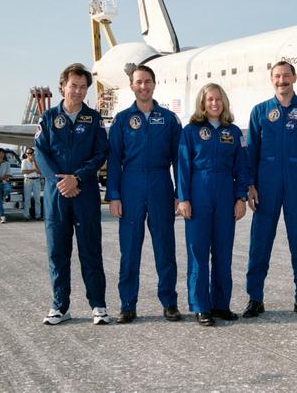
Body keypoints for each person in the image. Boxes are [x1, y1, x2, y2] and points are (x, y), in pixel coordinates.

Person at [243, 61, 297, 318]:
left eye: (286, 75)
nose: (282, 80)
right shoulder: (260, 111)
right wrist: (250, 185)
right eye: (277, 76)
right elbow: (251, 152)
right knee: (260, 243)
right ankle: (255, 298)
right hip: (266, 186)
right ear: (271, 80)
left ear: (294, 77)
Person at [106, 65, 183, 324]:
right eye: (138, 82)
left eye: (147, 81)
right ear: (131, 85)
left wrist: (179, 193)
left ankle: (169, 302)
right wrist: (114, 195)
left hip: (161, 183)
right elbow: (114, 159)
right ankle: (127, 304)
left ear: (154, 84)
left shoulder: (169, 119)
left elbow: (179, 159)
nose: (143, 86)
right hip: (131, 185)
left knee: (165, 247)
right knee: (129, 249)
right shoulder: (122, 120)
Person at [35, 63, 110, 325]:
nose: (78, 91)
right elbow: (40, 153)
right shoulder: (48, 118)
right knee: (58, 252)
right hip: (57, 195)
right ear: (62, 86)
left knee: (90, 251)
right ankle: (59, 307)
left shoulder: (94, 119)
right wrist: (61, 182)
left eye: (83, 87)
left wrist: (76, 178)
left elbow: (100, 153)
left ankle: (98, 306)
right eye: (73, 86)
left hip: (85, 192)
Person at [177, 83, 249, 326]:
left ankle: (221, 305)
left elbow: (242, 167)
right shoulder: (191, 131)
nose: (214, 103)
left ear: (224, 101)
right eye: (210, 99)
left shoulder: (234, 132)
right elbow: (183, 166)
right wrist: (184, 198)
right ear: (203, 103)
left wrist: (241, 198)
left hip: (226, 193)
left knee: (223, 252)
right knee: (198, 251)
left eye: (218, 99)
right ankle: (201, 306)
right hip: (199, 192)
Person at [21, 147, 42, 220]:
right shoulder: (24, 161)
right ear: (26, 154)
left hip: (36, 180)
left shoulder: (37, 161)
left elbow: (40, 172)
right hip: (28, 180)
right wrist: (34, 170)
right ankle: (26, 215)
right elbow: (24, 171)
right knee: (27, 199)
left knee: (37, 199)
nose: (30, 154)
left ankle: (38, 215)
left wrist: (33, 162)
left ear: (33, 153)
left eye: (31, 153)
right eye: (28, 153)